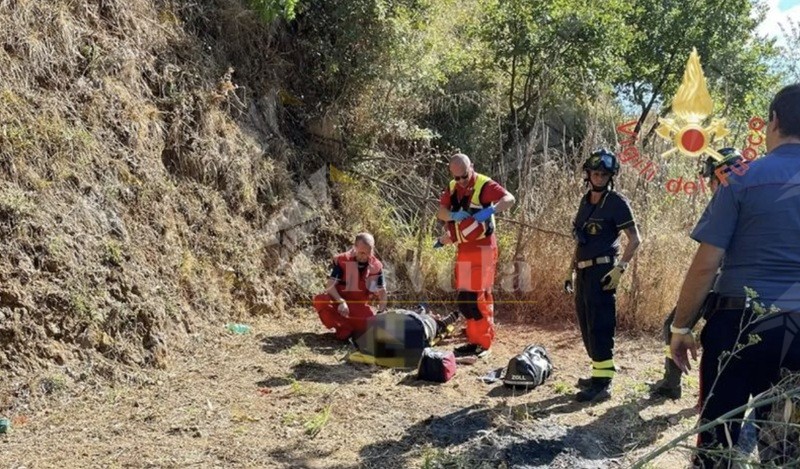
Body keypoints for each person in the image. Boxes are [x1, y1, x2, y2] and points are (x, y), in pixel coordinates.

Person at [670, 83, 800, 467]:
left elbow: (706, 264)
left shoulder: (742, 178)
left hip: (739, 324)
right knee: (786, 448)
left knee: (717, 442)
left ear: (773, 122)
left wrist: (681, 327)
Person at [649, 148, 744, 400]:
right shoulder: (752, 198)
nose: (711, 186)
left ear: (719, 176)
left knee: (675, 327)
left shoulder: (727, 200)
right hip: (742, 289)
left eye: (711, 179)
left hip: (720, 285)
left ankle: (676, 386)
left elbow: (706, 262)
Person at [564, 148, 641, 402]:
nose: (599, 177)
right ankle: (599, 371)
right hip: (583, 270)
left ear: (611, 177)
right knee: (586, 324)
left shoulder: (617, 202)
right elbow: (579, 239)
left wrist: (620, 269)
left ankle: (603, 384)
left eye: (604, 174)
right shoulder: (585, 201)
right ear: (588, 174)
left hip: (603, 272)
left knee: (600, 325)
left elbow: (635, 239)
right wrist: (569, 270)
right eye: (595, 173)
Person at [437, 153, 515, 358]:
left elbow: (509, 198)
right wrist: (453, 215)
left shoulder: (484, 185)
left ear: (471, 166)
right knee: (464, 297)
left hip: (484, 249)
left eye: (464, 176)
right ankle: (474, 337)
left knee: (476, 297)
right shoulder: (453, 187)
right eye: (457, 178)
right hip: (464, 249)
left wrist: (491, 211)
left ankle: (482, 342)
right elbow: (441, 212)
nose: (461, 181)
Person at [313, 232, 387, 340]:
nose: (365, 256)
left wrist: (381, 312)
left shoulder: (376, 265)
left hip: (359, 307)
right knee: (321, 300)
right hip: (339, 304)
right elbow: (330, 285)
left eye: (368, 253)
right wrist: (341, 301)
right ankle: (343, 328)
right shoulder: (343, 260)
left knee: (374, 324)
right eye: (361, 252)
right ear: (355, 247)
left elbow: (382, 292)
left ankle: (353, 330)